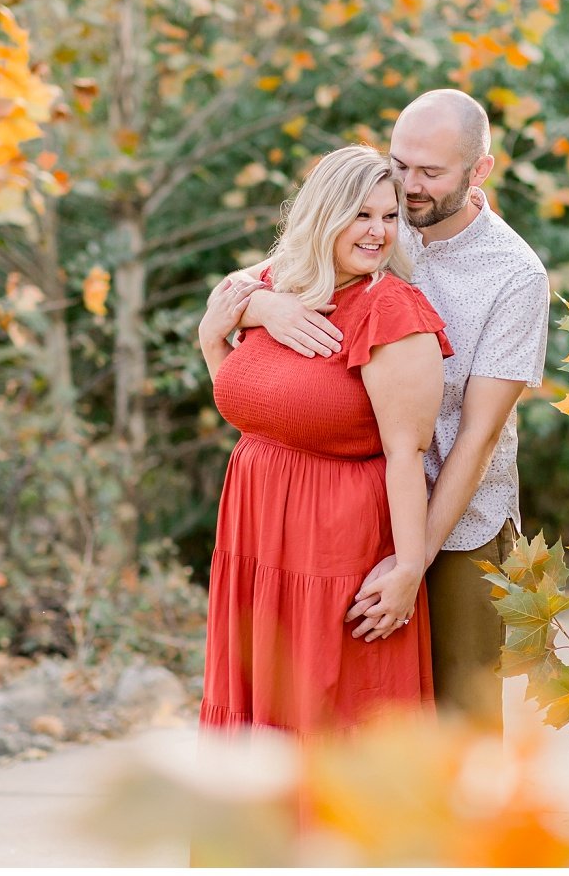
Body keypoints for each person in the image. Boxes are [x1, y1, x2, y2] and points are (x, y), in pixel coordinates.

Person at [227, 89, 550, 730]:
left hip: (455, 526)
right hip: (351, 515)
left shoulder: (514, 276)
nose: (408, 187)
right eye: (401, 164)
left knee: (458, 725)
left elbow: (479, 440)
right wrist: (263, 308)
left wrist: (413, 563)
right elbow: (255, 282)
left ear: (478, 171)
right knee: (357, 717)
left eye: (430, 173)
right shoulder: (376, 221)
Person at [196, 145, 453, 734]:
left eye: (390, 217)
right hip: (256, 533)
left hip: (332, 541)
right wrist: (226, 334)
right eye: (361, 215)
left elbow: (405, 454)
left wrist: (410, 565)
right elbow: (256, 413)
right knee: (262, 711)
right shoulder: (277, 287)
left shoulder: (391, 311)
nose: (378, 232)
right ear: (322, 216)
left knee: (325, 716)